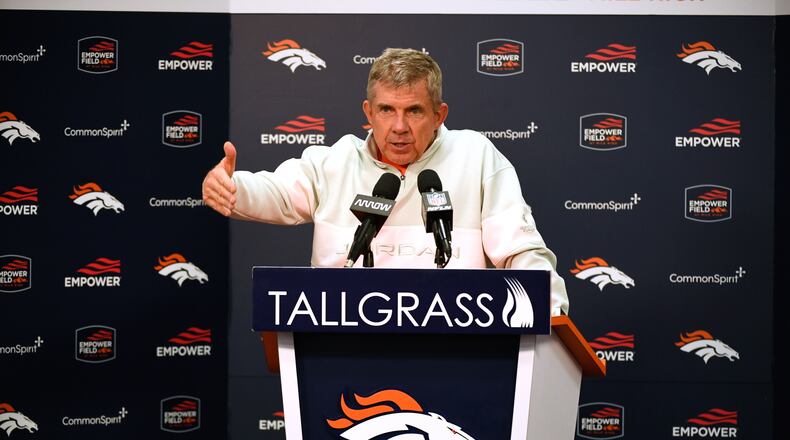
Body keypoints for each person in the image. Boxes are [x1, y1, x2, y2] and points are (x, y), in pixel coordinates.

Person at [202, 48, 569, 316]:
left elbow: (524, 254)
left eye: (414, 111)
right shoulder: (335, 161)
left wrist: (552, 317)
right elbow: (276, 192)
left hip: (459, 351)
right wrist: (231, 188)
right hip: (343, 350)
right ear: (368, 113)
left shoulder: (476, 157)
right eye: (387, 110)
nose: (399, 127)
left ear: (439, 114)